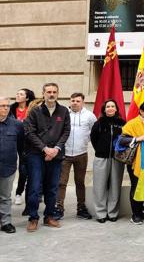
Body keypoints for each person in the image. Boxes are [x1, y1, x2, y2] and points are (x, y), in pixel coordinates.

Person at [23, 83, 70, 232]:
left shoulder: (63, 111)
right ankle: (33, 217)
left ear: (58, 94)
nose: (51, 94)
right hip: (36, 154)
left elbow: (66, 131)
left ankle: (49, 216)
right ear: (43, 93)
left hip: (56, 155)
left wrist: (56, 149)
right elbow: (30, 132)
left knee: (52, 187)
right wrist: (45, 149)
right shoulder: (35, 112)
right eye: (48, 92)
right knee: (35, 187)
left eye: (54, 92)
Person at [55, 92, 96, 220]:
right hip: (64, 154)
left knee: (80, 182)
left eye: (78, 101)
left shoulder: (90, 116)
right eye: (72, 100)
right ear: (70, 101)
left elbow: (94, 133)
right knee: (61, 182)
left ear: (83, 102)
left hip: (81, 153)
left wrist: (85, 142)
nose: (75, 103)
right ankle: (59, 207)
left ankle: (81, 208)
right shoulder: (62, 113)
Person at [90, 99, 125, 223]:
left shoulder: (122, 123)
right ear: (104, 110)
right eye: (108, 106)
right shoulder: (98, 123)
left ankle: (113, 213)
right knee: (99, 186)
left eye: (112, 106)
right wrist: (100, 150)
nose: (110, 108)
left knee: (115, 186)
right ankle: (101, 214)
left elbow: (126, 139)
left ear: (116, 109)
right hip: (101, 158)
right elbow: (93, 138)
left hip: (117, 159)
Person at [0, 96, 25, 233]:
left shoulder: (17, 125)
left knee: (5, 196)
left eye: (7, 106)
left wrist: (22, 164)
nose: (5, 108)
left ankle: (6, 222)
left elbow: (21, 148)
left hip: (8, 167)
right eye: (2, 106)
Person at [9, 88, 34, 206]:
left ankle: (19, 193)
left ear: (27, 98)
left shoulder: (32, 109)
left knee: (24, 169)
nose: (17, 95)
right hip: (14, 141)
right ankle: (17, 193)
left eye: (21, 94)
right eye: (17, 93)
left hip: (29, 142)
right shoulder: (11, 109)